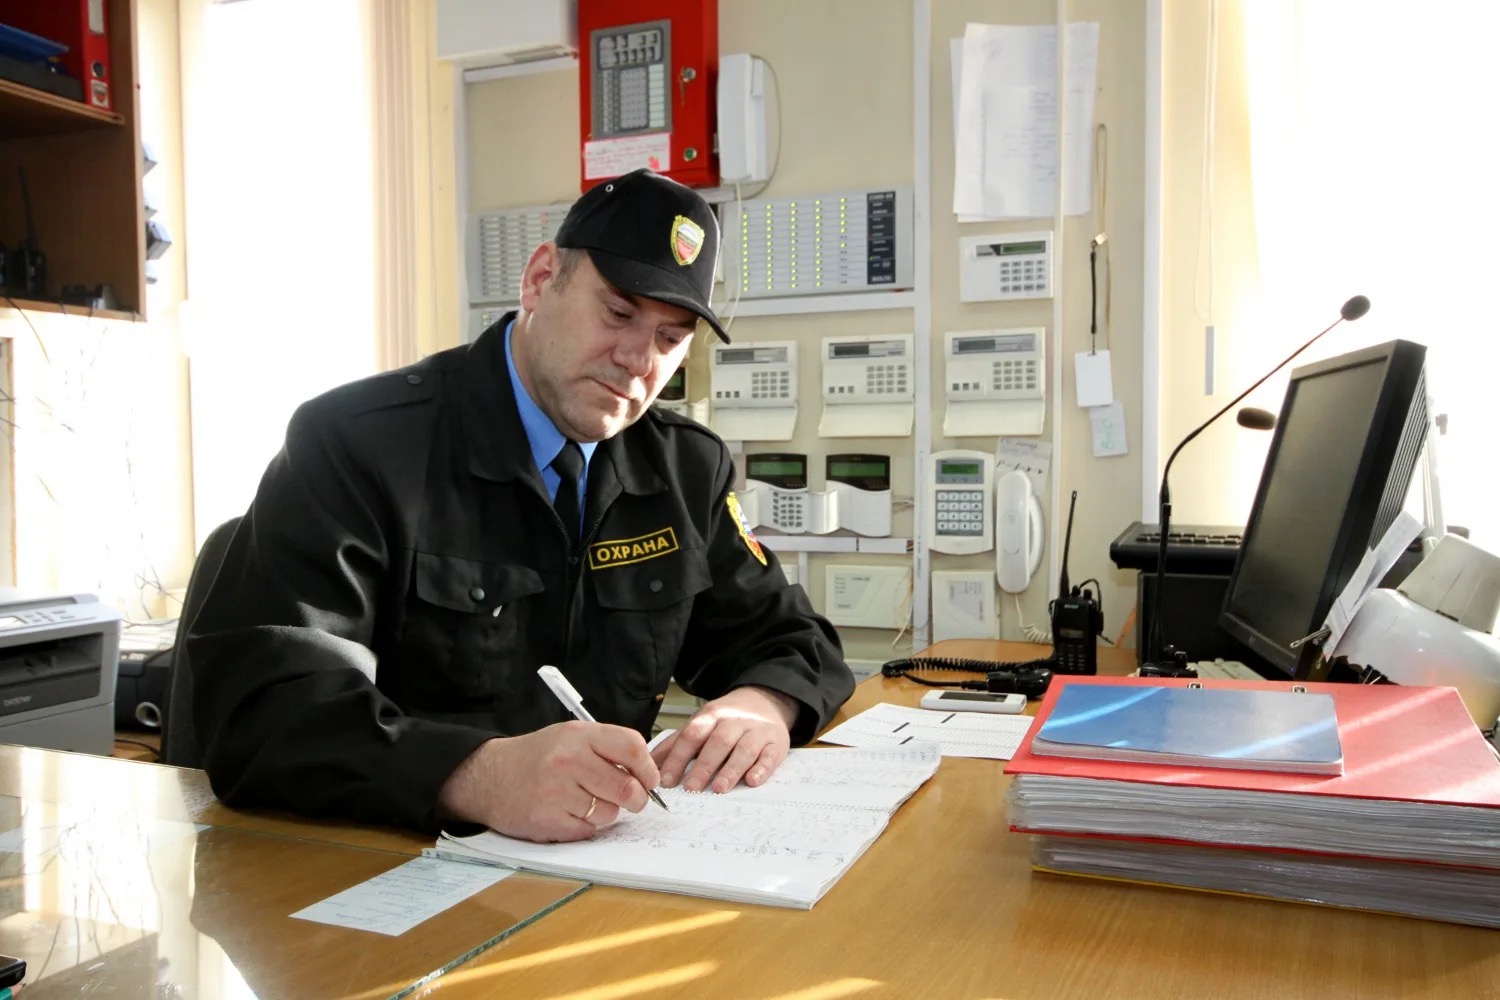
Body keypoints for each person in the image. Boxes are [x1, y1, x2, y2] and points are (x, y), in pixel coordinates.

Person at [185, 169, 855, 843]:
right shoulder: (357, 443)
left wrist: (762, 704)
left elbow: (793, 640)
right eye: (618, 313)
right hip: (387, 859)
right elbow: (264, 712)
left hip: (602, 861)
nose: (637, 359)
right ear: (539, 280)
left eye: (669, 338)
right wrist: (475, 775)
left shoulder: (686, 468)